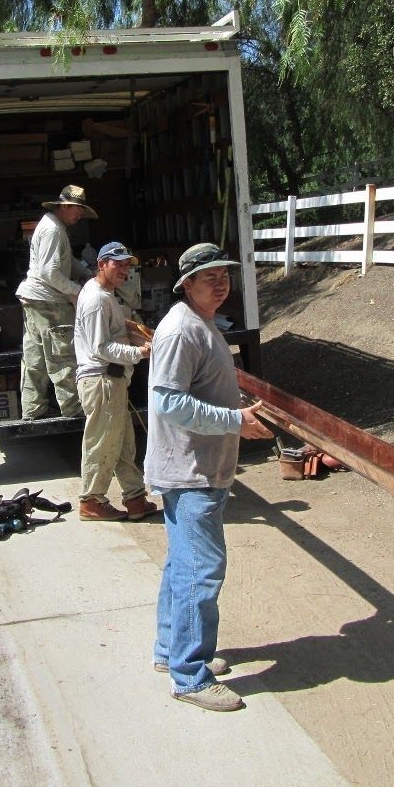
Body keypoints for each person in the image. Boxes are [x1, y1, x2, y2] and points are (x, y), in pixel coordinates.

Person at [145, 242, 273, 711]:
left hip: (197, 465)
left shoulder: (203, 323)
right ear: (187, 285)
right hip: (190, 470)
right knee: (201, 572)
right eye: (209, 278)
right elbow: (169, 402)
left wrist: (233, 411)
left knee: (183, 566)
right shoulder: (182, 330)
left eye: (224, 276)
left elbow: (200, 390)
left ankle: (170, 652)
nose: (220, 285)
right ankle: (190, 678)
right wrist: (236, 421)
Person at [73, 241, 159, 521]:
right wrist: (139, 352)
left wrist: (133, 330)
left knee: (123, 443)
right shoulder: (97, 299)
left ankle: (135, 499)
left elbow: (112, 332)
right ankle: (91, 501)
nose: (124, 270)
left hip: (111, 381)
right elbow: (101, 347)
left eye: (126, 265)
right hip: (102, 381)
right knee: (102, 443)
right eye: (117, 263)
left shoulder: (105, 294)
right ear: (101, 265)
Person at [16, 185, 96, 420]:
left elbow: (67, 260)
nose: (80, 215)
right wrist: (78, 291)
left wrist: (88, 274)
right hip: (49, 302)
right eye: (78, 210)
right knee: (62, 357)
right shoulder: (53, 229)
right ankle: (73, 408)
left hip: (34, 301)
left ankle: (32, 409)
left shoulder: (54, 225)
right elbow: (49, 273)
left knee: (35, 358)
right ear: (64, 207)